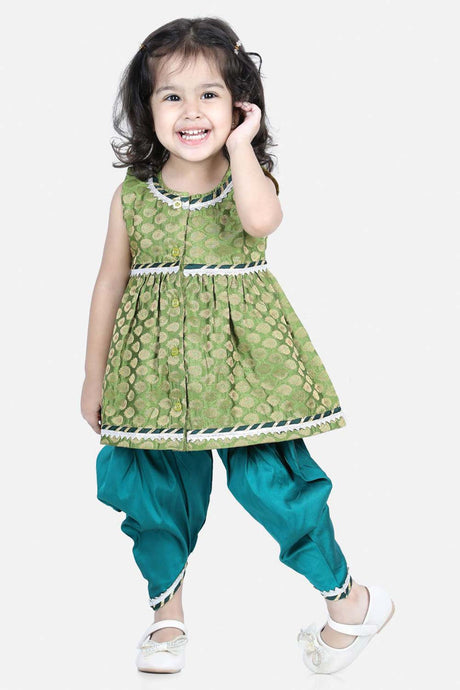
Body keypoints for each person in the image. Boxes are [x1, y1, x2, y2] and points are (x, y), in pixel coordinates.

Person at [81, 16, 395, 676]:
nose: (191, 111)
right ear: (147, 109)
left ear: (239, 105)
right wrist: (94, 377)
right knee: (153, 486)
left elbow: (261, 219)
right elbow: (110, 282)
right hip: (151, 370)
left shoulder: (246, 178)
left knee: (272, 482)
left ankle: (349, 600)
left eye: (210, 95)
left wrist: (244, 146)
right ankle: (167, 616)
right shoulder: (132, 196)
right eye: (172, 96)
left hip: (244, 366)